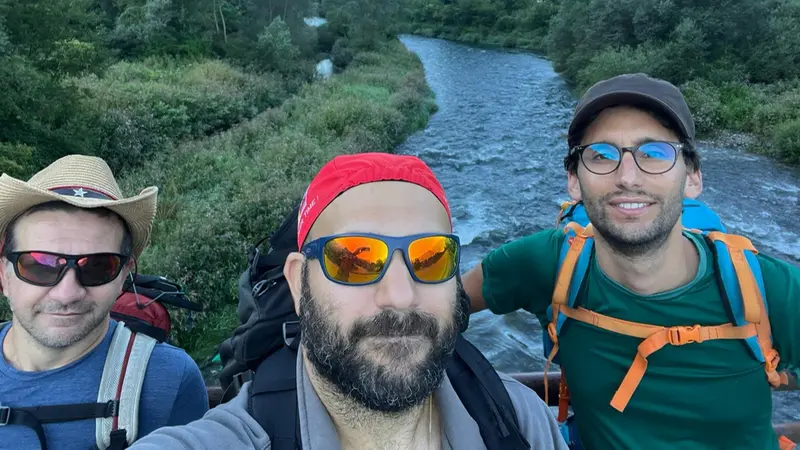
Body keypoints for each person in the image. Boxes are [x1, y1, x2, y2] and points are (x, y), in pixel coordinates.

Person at [127, 152, 569, 449]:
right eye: (356, 260)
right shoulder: (237, 438)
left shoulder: (518, 419)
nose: (399, 296)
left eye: (431, 258)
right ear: (300, 283)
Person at [461, 72, 800, 450]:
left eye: (654, 152)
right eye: (601, 155)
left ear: (692, 177)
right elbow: (434, 307)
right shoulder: (548, 264)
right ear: (574, 180)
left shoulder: (767, 288)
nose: (627, 176)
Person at [0, 155, 209, 449]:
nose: (67, 293)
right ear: (4, 274)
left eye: (98, 267)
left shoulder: (169, 381)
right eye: (40, 265)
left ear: (124, 276)